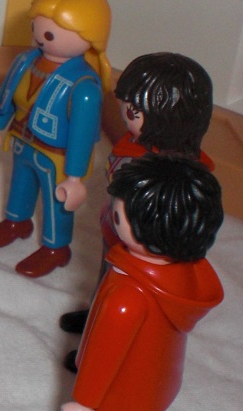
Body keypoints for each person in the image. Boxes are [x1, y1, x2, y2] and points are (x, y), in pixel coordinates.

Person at [57, 155, 223, 411]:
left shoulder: (127, 295)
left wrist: (84, 404)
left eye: (118, 214)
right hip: (157, 380)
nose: (110, 214)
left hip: (115, 390)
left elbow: (103, 357)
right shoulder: (184, 275)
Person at [59, 53, 214, 361]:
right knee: (106, 277)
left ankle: (102, 346)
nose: (125, 115)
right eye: (126, 106)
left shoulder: (176, 172)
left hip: (143, 250)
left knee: (124, 296)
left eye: (134, 111)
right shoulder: (133, 144)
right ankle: (96, 317)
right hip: (116, 230)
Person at [0, 0, 111, 277]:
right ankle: (16, 221)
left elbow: (82, 136)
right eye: (36, 27)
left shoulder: (84, 86)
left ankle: (56, 247)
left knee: (56, 202)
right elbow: (6, 96)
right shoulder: (25, 62)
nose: (40, 37)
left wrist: (75, 178)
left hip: (55, 156)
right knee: (19, 185)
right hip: (22, 141)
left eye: (50, 33)